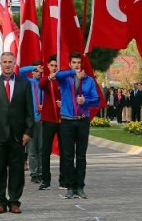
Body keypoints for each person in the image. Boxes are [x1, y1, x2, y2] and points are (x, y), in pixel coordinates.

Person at [0, 52, 34, 215]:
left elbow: (29, 111)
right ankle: (0, 202)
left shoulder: (24, 84)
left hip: (18, 136)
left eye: (10, 62)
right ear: (0, 64)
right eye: (4, 62)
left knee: (17, 170)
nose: (7, 65)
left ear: (14, 64)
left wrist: (28, 132)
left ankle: (14, 202)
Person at [55, 52, 100, 200]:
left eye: (79, 63)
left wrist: (85, 101)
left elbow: (96, 100)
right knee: (68, 155)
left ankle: (80, 186)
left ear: (82, 64)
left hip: (82, 121)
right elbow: (57, 75)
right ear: (70, 64)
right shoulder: (65, 78)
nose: (77, 65)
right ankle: (70, 186)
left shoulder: (89, 81)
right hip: (67, 120)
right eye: (74, 63)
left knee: (81, 156)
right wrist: (73, 73)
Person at [37, 55, 63, 191]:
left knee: (64, 151)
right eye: (52, 65)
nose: (54, 68)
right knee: (45, 151)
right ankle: (45, 180)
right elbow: (40, 85)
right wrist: (49, 78)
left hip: (62, 119)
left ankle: (63, 180)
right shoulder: (46, 80)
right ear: (48, 66)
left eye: (56, 66)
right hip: (48, 119)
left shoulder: (62, 80)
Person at [19, 60, 44, 184]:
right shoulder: (29, 82)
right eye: (36, 71)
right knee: (32, 149)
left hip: (43, 119)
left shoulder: (45, 84)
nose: (38, 73)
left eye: (40, 71)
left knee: (41, 148)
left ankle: (41, 172)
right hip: (32, 119)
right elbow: (19, 71)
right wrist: (33, 67)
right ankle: (34, 173)